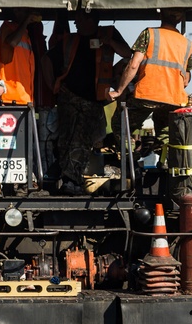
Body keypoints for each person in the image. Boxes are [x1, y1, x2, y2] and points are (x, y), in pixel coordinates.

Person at [44, 11, 131, 195]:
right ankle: (68, 180)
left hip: (93, 99)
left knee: (83, 140)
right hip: (69, 96)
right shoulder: (69, 40)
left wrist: (109, 43)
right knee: (67, 140)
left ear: (91, 19)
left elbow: (127, 53)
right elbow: (47, 59)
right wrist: (52, 84)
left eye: (79, 19)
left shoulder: (108, 33)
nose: (75, 22)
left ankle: (71, 180)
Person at [108, 8, 192, 152]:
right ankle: (167, 164)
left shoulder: (150, 34)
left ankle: (131, 163)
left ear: (160, 14)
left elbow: (134, 64)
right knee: (165, 133)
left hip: (147, 95)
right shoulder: (187, 44)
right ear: (179, 20)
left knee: (120, 124)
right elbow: (186, 79)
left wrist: (119, 90)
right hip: (173, 99)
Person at [0, 8, 42, 105]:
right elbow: (12, 42)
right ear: (16, 11)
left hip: (24, 97)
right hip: (10, 97)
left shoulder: (25, 34)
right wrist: (26, 21)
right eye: (26, 12)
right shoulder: (7, 27)